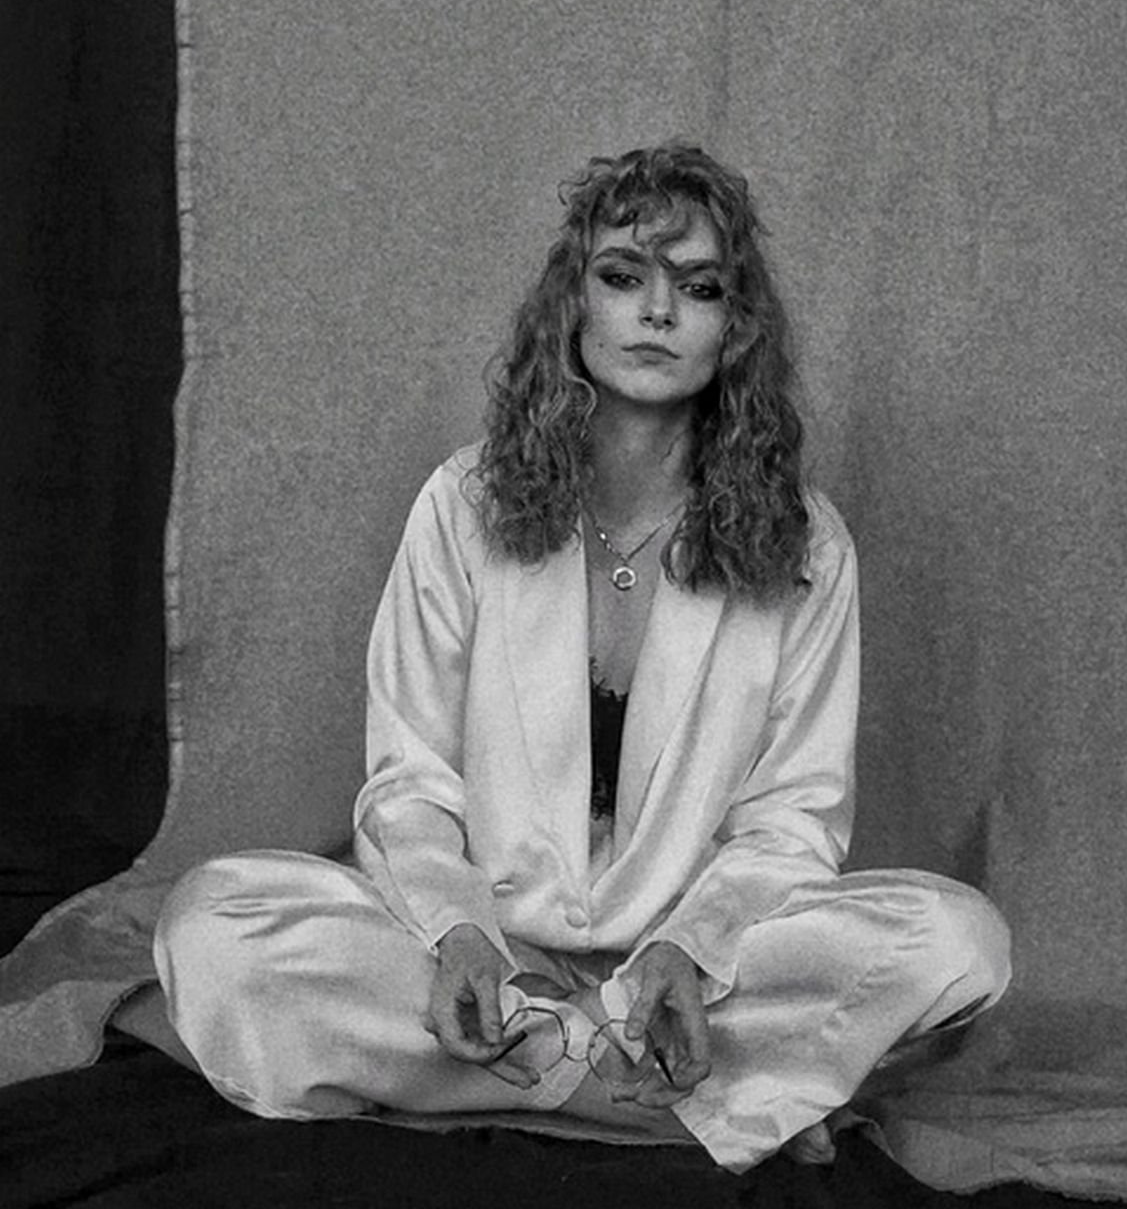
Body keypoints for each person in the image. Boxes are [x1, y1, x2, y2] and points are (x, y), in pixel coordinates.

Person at [151, 144, 1011, 1173]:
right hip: (485, 949)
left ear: (735, 329)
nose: (658, 312)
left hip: (693, 971)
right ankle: (683, 1097)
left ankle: (516, 1071)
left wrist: (687, 950)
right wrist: (459, 937)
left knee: (959, 942)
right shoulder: (463, 505)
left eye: (698, 288)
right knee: (212, 923)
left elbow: (793, 817)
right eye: (623, 276)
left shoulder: (806, 542)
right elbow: (410, 781)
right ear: (575, 303)